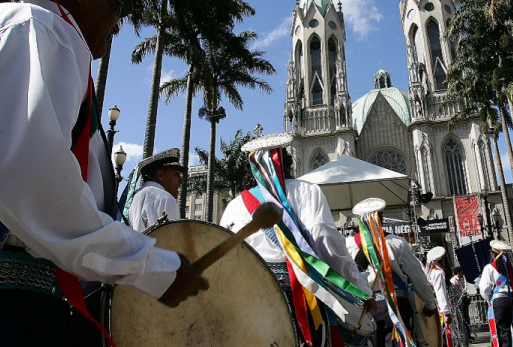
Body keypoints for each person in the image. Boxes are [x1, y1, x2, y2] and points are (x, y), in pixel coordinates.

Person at [0, 0, 208, 346]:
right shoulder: (38, 30)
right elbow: (37, 187)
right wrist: (152, 266)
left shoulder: (22, 32)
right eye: (115, 5)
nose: (118, 26)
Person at [219, 132, 373, 347]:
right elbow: (327, 243)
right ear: (287, 161)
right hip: (301, 292)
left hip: (250, 297)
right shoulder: (307, 191)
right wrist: (358, 288)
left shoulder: (234, 206)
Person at [351, 198, 437, 347]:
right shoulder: (397, 243)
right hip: (397, 306)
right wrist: (430, 304)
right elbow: (418, 278)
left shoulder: (348, 245)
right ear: (381, 219)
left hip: (364, 310)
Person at [478, 240, 513, 347]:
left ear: (493, 254)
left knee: (503, 331)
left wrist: (489, 297)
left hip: (500, 301)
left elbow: (484, 289)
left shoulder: (489, 268)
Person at [126, 148, 185, 232]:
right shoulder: (164, 198)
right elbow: (169, 241)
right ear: (160, 175)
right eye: (176, 174)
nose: (181, 180)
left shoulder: (136, 196)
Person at [450, 266, 476, 341]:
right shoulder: (454, 281)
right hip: (459, 302)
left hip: (464, 300)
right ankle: (464, 336)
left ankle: (468, 334)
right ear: (458, 273)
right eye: (461, 272)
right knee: (462, 319)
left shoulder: (461, 280)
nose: (462, 274)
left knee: (466, 318)